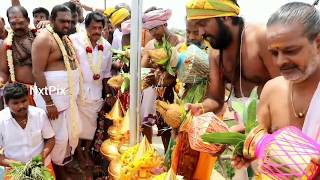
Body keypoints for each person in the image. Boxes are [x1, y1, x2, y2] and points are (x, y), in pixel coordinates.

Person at [232, 1, 320, 174]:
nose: (280, 62)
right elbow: (259, 136)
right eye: (274, 53)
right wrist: (250, 149)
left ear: (318, 43)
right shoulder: (272, 90)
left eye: (291, 50)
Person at [185, 0, 279, 119]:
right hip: (239, 128)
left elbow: (286, 89)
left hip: (272, 124)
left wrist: (263, 124)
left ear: (225, 17)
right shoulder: (215, 54)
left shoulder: (261, 37)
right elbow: (216, 100)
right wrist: (200, 107)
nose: (201, 32)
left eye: (203, 23)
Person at [31, 5, 82, 179]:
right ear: (52, 21)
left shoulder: (65, 38)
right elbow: (37, 72)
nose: (66, 25)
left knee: (67, 136)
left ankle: (61, 165)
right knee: (56, 138)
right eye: (62, 21)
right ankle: (56, 172)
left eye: (69, 21)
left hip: (67, 100)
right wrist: (49, 102)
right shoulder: (44, 39)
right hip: (52, 101)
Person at [70, 12, 112, 169]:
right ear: (86, 27)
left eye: (99, 28)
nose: (96, 31)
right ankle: (78, 154)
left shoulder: (106, 47)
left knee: (91, 125)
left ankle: (86, 151)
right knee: (76, 125)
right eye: (93, 27)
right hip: (77, 91)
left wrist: (108, 93)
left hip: (95, 92)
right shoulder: (74, 40)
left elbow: (106, 73)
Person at [141, 7, 183, 152]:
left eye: (156, 28)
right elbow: (143, 69)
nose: (153, 33)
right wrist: (154, 69)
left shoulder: (179, 42)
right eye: (150, 30)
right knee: (163, 129)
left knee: (179, 131)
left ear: (165, 24)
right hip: (160, 95)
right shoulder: (150, 45)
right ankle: (167, 161)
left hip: (177, 94)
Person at [0, 83, 55, 175]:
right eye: (15, 103)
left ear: (28, 98)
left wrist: (41, 157)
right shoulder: (1, 120)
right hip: (14, 171)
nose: (21, 106)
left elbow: (50, 139)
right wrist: (15, 164)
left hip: (42, 167)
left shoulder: (39, 114)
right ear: (6, 103)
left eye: (24, 101)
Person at [0, 6, 37, 106]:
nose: (17, 26)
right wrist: (1, 81)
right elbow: (3, 72)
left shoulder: (39, 36)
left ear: (28, 20)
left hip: (46, 90)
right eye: (13, 24)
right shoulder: (6, 44)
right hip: (22, 94)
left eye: (20, 23)